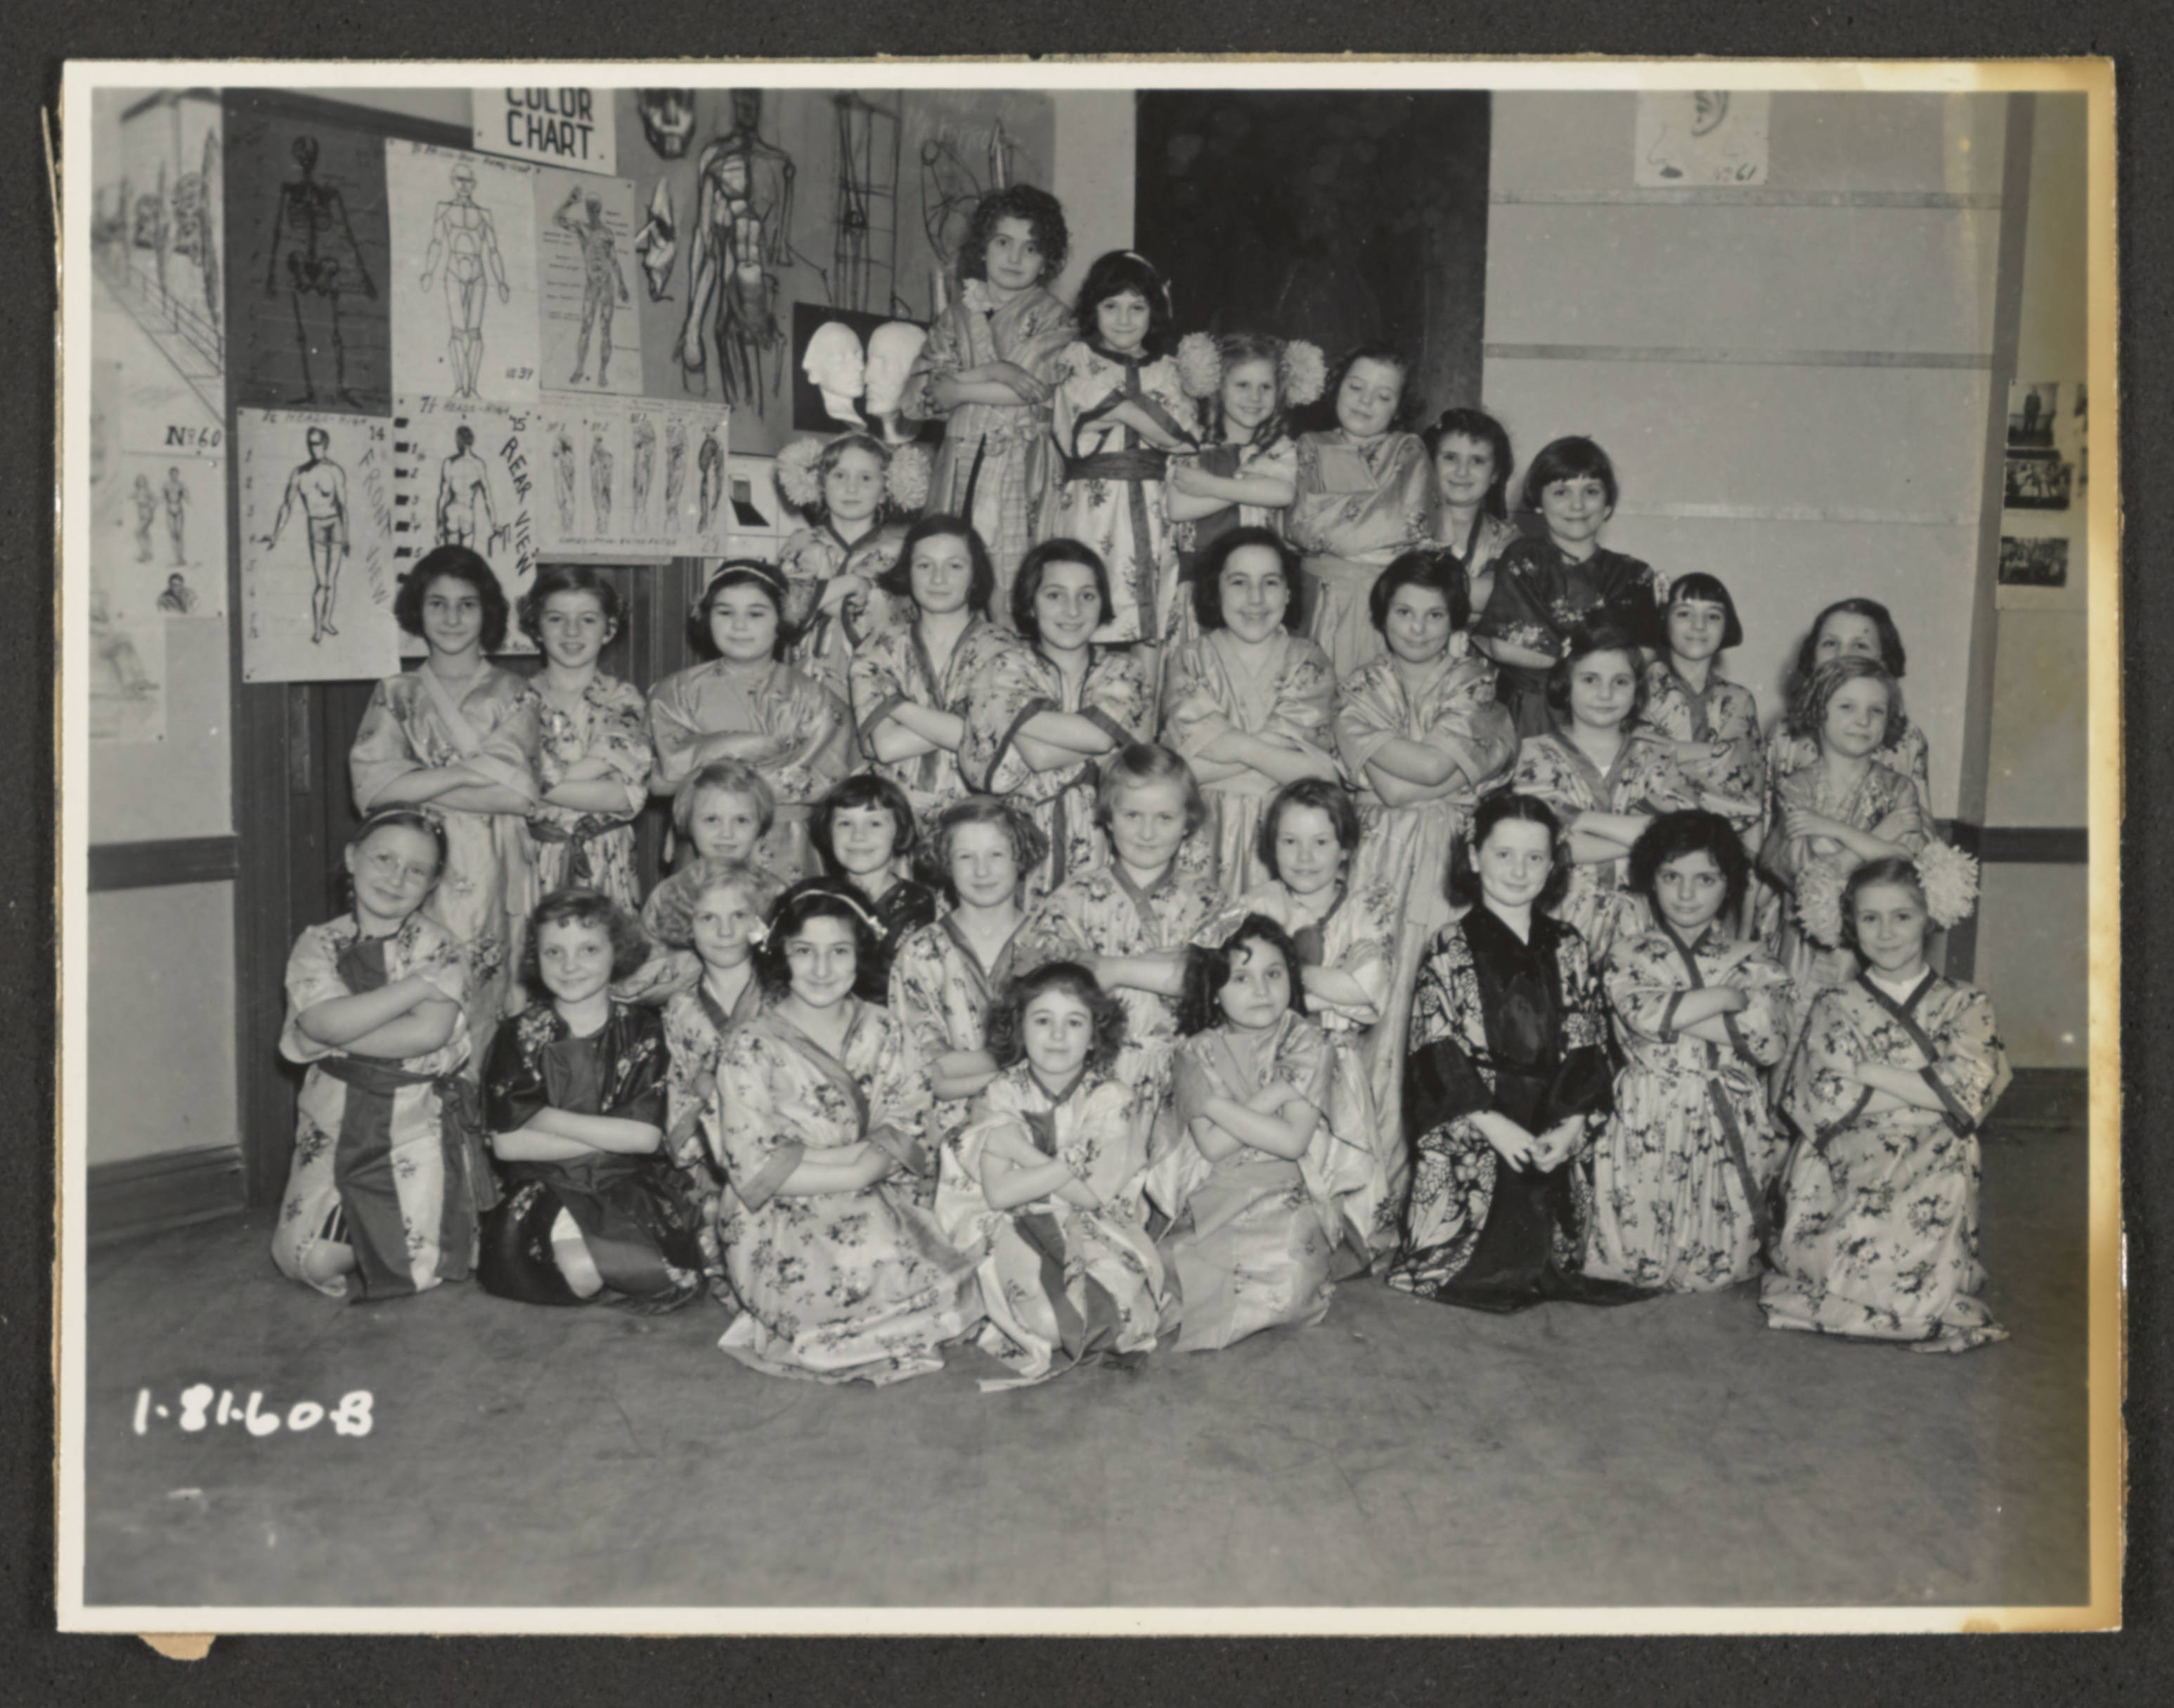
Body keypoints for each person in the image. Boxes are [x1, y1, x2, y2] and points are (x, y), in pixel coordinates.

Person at [1386, 794, 1652, 1312]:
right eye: (1503, 854)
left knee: (1556, 1225)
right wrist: (1492, 1124)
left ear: (1552, 865)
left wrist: (1571, 1125)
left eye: (1534, 857)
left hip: (1551, 1107)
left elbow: (1587, 1040)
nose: (1518, 870)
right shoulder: (1449, 945)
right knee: (1472, 1258)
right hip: (1479, 1114)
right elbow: (1436, 1049)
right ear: (1474, 856)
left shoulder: (1569, 943)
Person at [709, 886, 979, 1383]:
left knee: (940, 1282)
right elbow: (751, 1161)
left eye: (838, 951)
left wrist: (853, 1167)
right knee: (835, 1282)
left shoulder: (888, 1031)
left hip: (875, 1190)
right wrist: (853, 1166)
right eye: (803, 951)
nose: (821, 968)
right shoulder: (747, 1044)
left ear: (861, 954)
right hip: (778, 1206)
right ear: (780, 953)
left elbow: (905, 1123)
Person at [1761, 854, 2011, 1352]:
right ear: (1850, 925)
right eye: (1870, 918)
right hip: (1846, 1150)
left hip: (1937, 1152)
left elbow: (1970, 1090)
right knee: (1846, 1252)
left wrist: (1869, 1072)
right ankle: (1921, 1309)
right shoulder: (1833, 1002)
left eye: (1902, 916)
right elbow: (1823, 1096)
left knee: (1939, 1173)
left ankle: (1905, 1304)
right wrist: (1928, 1087)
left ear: (1930, 916)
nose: (1886, 932)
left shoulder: (1967, 1002)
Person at [1333, 551, 1518, 1163]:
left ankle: (1433, 1170)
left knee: (1438, 998)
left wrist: (1423, 770)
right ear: (1381, 616)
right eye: (1404, 612)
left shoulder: (1476, 686)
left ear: (1455, 620)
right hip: (1374, 858)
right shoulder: (1359, 685)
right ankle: (1364, 1170)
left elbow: (1423, 770)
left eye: (1434, 614)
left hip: (1448, 859)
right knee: (1371, 996)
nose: (1417, 628)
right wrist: (1446, 775)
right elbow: (1401, 787)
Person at [272, 808, 487, 1300]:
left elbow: (426, 1035)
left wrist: (335, 1029)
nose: (396, 878)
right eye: (384, 859)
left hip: (411, 1123)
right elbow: (321, 1022)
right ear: (352, 859)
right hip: (333, 1118)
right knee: (304, 1261)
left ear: (431, 884)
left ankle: (401, 1219)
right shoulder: (318, 943)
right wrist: (414, 988)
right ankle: (356, 1219)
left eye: (416, 870)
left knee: (406, 1260)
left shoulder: (442, 947)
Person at [1149, 916, 1384, 1351]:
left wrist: (1215, 1104)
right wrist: (1278, 1092)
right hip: (1216, 1190)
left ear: (1291, 980)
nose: (1261, 990)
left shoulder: (1310, 1043)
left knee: (1289, 1282)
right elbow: (1212, 1146)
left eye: (1273, 974)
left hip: (1287, 1193)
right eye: (1241, 978)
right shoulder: (1193, 1051)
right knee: (1167, 1275)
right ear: (1214, 991)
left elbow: (1291, 1142)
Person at [934, 962, 1169, 1388]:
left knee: (1123, 1314)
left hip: (1096, 1224)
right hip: (1014, 1223)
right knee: (1048, 1322)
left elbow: (1092, 1197)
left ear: (1095, 1034)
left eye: (1074, 1022)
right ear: (1018, 1028)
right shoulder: (1000, 1093)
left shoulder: (1112, 1098)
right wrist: (1069, 1166)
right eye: (1043, 1020)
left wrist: (1018, 1151)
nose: (1058, 1035)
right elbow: (999, 1194)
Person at [349, 545, 542, 1065]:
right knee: (414, 985)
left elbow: (517, 794)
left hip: (493, 862)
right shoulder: (395, 692)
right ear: (418, 609)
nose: (452, 618)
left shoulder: (515, 692)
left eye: (467, 604)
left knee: (489, 993)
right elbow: (370, 790)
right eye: (437, 604)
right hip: (411, 860)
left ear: (487, 611)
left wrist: (414, 778)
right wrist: (467, 773)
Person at [1587, 813, 1794, 1290]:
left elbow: (1767, 1039)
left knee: (1720, 1269)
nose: (1686, 894)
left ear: (1729, 884)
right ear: (1651, 880)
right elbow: (1642, 1014)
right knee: (1635, 1262)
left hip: (1728, 1112)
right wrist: (1726, 998)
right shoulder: (1627, 952)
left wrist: (1675, 1011)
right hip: (1649, 1109)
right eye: (1671, 877)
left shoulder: (1755, 957)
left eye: (1705, 879)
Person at [1202, 779, 1401, 1257]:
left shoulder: (1368, 906)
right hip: (1261, 1063)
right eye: (1289, 841)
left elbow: (1365, 989)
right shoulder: (1254, 904)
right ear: (1271, 847)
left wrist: (1277, 973)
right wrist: (1324, 983)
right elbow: (1209, 971)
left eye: (1321, 842)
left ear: (1345, 847)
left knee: (1336, 1172)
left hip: (1333, 1065)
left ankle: (1335, 1250)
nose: (1304, 857)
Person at [477, 890, 702, 1311]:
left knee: (665, 1275)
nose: (570, 966)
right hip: (545, 1189)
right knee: (580, 1271)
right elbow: (507, 1145)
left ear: (617, 951)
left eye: (589, 950)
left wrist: (540, 1116)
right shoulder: (518, 1034)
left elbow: (644, 1139)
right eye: (554, 952)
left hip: (624, 1185)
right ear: (536, 957)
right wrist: (610, 1134)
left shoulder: (643, 1031)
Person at [1012, 744, 1222, 1145]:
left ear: (1188, 822)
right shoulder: (1073, 898)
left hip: (1186, 1081)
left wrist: (1114, 969)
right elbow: (1038, 980)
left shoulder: (1208, 902)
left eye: (1164, 818)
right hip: (1090, 1079)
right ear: (1108, 817)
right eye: (1132, 816)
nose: (1147, 832)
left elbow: (1216, 981)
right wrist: (1165, 967)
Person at [900, 183, 1075, 614]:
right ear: (982, 248)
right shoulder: (956, 315)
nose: (1015, 258)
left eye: (1031, 248)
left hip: (1022, 464)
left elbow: (1033, 389)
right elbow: (921, 396)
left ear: (1047, 259)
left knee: (1013, 583)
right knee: (951, 574)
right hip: (959, 460)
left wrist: (959, 388)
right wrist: (996, 371)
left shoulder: (1056, 318)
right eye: (1003, 243)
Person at [957, 539, 1153, 900]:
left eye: (1087, 596)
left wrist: (1029, 726)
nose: (1072, 610)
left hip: (1107, 844)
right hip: (1019, 846)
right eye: (1054, 595)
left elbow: (1095, 739)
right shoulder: (1003, 668)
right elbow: (1041, 756)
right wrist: (1097, 743)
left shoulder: (1125, 671)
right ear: (1030, 603)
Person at [1158, 527, 1341, 891]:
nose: (1255, 598)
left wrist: (1232, 747)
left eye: (1270, 582)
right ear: (1217, 590)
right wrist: (1276, 761)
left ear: (1288, 592)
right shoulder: (1191, 658)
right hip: (1203, 835)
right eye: (1239, 582)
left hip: (1287, 838)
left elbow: (1321, 777)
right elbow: (1181, 772)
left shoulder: (1309, 660)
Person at [647, 559, 853, 882]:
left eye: (756, 614)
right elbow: (664, 773)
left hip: (789, 845)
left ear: (781, 619)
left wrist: (706, 763)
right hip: (706, 842)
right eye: (725, 612)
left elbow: (825, 776)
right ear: (707, 616)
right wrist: (747, 745)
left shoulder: (815, 698)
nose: (739, 626)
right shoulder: (674, 693)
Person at [1510, 623, 1702, 964]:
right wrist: (1648, 836)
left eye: (1621, 682)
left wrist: (1578, 819)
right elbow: (1551, 846)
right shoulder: (1536, 753)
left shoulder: (1655, 758)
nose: (1605, 694)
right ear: (1566, 684)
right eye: (1590, 680)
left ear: (1637, 690)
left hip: (1643, 928)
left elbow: (1680, 837)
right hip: (1559, 918)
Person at [1048, 250, 1201, 662]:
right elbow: (1080, 415)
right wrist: (1140, 416)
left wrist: (1124, 411)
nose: (1124, 319)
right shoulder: (1078, 358)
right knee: (1087, 605)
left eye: (1138, 307)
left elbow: (1184, 437)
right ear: (1093, 309)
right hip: (1092, 508)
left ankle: (1145, 701)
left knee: (1153, 617)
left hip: (1154, 505)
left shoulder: (1168, 369)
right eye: (1111, 306)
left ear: (1155, 311)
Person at [649, 857, 784, 1302]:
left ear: (760, 922)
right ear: (687, 927)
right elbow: (679, 1087)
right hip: (712, 1154)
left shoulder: (783, 994)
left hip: (780, 1144)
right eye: (708, 918)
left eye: (739, 916)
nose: (725, 931)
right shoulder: (680, 1007)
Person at [1756, 656, 1929, 997]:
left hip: (1882, 942)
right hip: (1806, 946)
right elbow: (1808, 876)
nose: (1863, 720)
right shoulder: (1796, 789)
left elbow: (1911, 868)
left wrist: (1835, 840)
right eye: (1847, 707)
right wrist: (1881, 838)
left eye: (1876, 710)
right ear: (1818, 711)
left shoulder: (1899, 789)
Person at [889, 798, 1049, 1165]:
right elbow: (923, 1069)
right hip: (951, 1137)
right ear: (945, 863)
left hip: (1043, 1124)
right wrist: (1025, 1063)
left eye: (996, 855)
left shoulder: (1051, 942)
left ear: (1020, 857)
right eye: (965, 857)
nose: (982, 870)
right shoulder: (920, 952)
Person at [1473, 436, 1665, 738]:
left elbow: (1645, 653)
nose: (1577, 504)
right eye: (1561, 492)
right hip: (1532, 714)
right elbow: (1506, 646)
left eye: (1591, 491)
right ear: (1538, 502)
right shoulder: (1524, 558)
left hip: (1608, 713)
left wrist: (1569, 658)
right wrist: (1596, 660)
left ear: (1608, 504)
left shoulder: (1633, 574)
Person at [1285, 344, 1439, 679]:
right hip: (1311, 596)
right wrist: (1366, 528)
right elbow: (1298, 526)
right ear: (1337, 388)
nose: (1365, 401)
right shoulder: (1311, 443)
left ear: (1399, 407)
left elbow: (1407, 529)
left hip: (1375, 601)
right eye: (1356, 387)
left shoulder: (1408, 451)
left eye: (1383, 396)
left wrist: (1328, 530)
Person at [849, 514, 1013, 824]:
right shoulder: (878, 646)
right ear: (908, 572)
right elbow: (887, 746)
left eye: (955, 566)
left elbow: (996, 739)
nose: (938, 579)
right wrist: (968, 721)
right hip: (896, 820)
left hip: (981, 822)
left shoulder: (1004, 649)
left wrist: (896, 706)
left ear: (975, 575)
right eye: (924, 565)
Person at [1165, 332, 1319, 648]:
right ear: (1218, 387)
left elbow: (1283, 494)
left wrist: (1209, 485)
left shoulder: (1279, 447)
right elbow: (1178, 507)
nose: (1255, 397)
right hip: (1199, 580)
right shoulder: (1192, 442)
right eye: (1243, 385)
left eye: (1266, 387)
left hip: (1259, 585)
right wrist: (1250, 485)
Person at [518, 567, 652, 911]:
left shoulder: (624, 699)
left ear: (609, 629)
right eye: (557, 619)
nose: (572, 631)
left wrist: (536, 784)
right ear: (536, 627)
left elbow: (622, 795)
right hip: (533, 858)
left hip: (607, 858)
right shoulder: (516, 700)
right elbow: (509, 787)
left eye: (588, 620)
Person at [1763, 597, 1934, 817]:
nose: (1842, 655)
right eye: (1830, 643)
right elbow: (1770, 818)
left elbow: (1919, 823)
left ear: (1884, 661)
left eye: (1860, 645)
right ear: (1812, 657)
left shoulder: (1907, 739)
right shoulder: (1785, 734)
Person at [773, 431, 911, 698]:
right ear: (821, 486)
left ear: (886, 491)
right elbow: (784, 612)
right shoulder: (801, 543)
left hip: (876, 685)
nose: (851, 488)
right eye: (839, 476)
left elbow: (893, 623)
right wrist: (851, 584)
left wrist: (823, 591)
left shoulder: (899, 551)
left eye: (866, 478)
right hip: (806, 681)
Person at [1643, 574, 1766, 861]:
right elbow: (1634, 763)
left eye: (1713, 616)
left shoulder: (1740, 700)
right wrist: (1718, 753)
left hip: (1724, 847)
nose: (1699, 625)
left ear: (1727, 625)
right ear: (1664, 620)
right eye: (1684, 613)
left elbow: (1752, 786)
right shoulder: (1638, 690)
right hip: (1651, 839)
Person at [808, 773, 940, 1002]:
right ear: (828, 831)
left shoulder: (915, 901)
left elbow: (887, 979)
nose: (858, 835)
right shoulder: (815, 896)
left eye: (874, 823)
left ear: (899, 831)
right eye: (845, 823)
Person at [1424, 407, 1520, 619]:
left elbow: (1501, 597)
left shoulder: (1505, 538)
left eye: (1477, 461)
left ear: (1495, 474)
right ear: (1430, 464)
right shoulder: (1407, 526)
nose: (1462, 471)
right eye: (1450, 457)